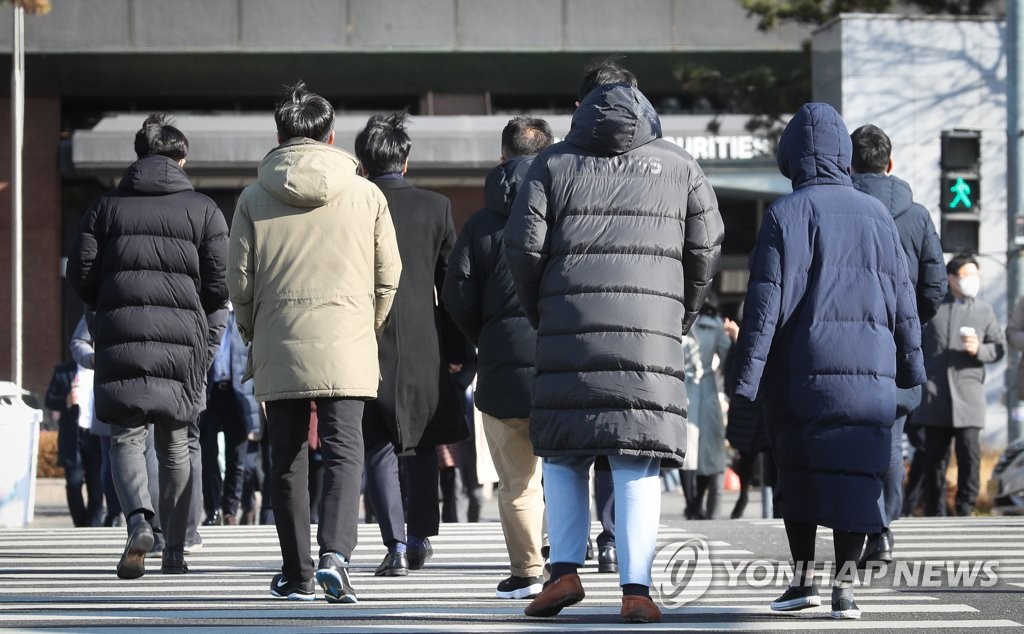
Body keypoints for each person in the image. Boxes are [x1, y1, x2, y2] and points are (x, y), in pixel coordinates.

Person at [504, 59, 724, 624]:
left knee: (564, 450)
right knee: (636, 457)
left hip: (567, 330)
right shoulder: (680, 165)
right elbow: (707, 246)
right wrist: (682, 313)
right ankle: (637, 590)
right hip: (650, 335)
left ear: (580, 107)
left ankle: (564, 575)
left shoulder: (550, 165)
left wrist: (541, 312)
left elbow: (522, 249)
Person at [730, 102, 925, 620]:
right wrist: (913, 370)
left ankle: (800, 582)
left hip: (802, 372)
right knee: (856, 474)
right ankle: (845, 590)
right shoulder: (879, 216)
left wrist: (745, 379)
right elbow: (904, 301)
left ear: (792, 154)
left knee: (798, 472)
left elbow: (765, 306)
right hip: (870, 372)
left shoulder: (785, 215)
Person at [228, 81, 401, 603]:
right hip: (348, 338)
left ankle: (297, 571)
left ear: (280, 137)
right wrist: (366, 327)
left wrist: (254, 331)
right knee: (345, 449)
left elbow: (239, 281)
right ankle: (335, 556)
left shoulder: (254, 196)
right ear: (331, 138)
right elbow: (388, 273)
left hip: (280, 340)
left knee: (285, 455)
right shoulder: (367, 193)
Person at [67, 113, 229, 579]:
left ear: (138, 157)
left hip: (121, 336)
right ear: (181, 158)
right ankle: (174, 549)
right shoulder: (204, 210)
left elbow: (79, 276)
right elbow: (218, 288)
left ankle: (138, 519)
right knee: (176, 442)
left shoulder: (104, 208)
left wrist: (107, 304)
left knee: (125, 435)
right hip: (181, 344)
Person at [442, 115, 554, 599]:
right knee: (567, 472)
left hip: (502, 363)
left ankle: (527, 572)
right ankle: (567, 561)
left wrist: (483, 336)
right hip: (563, 359)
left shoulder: (481, 224)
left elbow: (457, 293)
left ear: (502, 158)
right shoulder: (567, 209)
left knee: (517, 482)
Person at [354, 112, 467, 578]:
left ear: (361, 160)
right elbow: (452, 285)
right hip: (425, 339)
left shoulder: (351, 204)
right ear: (406, 158)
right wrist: (459, 349)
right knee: (420, 442)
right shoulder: (436, 207)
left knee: (376, 444)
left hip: (363, 335)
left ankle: (394, 544)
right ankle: (419, 537)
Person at [850, 123, 947, 565]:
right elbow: (934, 285)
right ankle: (884, 531)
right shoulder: (918, 215)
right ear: (890, 164)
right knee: (890, 435)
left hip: (846, 337)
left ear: (849, 163)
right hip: (896, 343)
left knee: (844, 433)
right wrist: (910, 322)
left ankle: (852, 523)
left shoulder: (839, 207)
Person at [914, 253, 1004, 517]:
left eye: (975, 275)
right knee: (934, 462)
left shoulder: (984, 310)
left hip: (969, 397)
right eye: (966, 275)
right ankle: (935, 511)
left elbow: (998, 348)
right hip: (935, 396)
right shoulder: (933, 309)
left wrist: (979, 350)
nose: (972, 281)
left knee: (970, 458)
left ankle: (966, 508)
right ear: (951, 278)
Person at [199, 308, 261, 526]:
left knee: (238, 456)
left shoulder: (242, 316)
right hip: (210, 393)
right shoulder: (206, 315)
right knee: (208, 453)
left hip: (239, 394)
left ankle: (230, 510)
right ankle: (213, 508)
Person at [69, 314, 122, 527]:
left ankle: (150, 516)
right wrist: (94, 359)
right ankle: (117, 512)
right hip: (110, 388)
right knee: (111, 462)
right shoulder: (103, 296)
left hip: (152, 387)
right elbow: (78, 341)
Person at [684, 294, 732, 520]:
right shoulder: (713, 325)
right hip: (703, 387)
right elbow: (727, 356)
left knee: (694, 451)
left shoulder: (678, 318)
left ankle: (693, 504)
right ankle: (693, 504)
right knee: (697, 452)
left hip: (690, 386)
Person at [45, 360, 104, 527]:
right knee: (73, 483)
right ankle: (80, 524)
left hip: (96, 436)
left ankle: (93, 526)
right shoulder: (63, 371)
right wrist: (66, 400)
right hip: (73, 436)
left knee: (96, 486)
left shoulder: (103, 369)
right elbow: (49, 399)